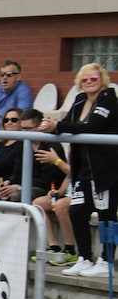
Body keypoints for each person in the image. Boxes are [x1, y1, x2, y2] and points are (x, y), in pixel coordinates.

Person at [39, 62, 118, 278]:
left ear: (102, 80)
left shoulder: (108, 99)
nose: (90, 83)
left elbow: (91, 127)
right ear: (79, 83)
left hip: (107, 169)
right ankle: (84, 258)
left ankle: (106, 260)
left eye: (94, 79)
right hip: (83, 168)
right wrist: (50, 126)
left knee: (106, 215)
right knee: (77, 211)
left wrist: (59, 127)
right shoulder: (80, 99)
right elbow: (67, 124)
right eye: (85, 79)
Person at [0, 109, 66, 202]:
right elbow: (17, 171)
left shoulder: (52, 146)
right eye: (22, 128)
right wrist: (7, 183)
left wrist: (20, 187)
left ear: (40, 126)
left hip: (46, 189)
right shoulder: (22, 144)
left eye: (28, 129)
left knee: (17, 196)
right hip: (25, 185)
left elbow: (46, 181)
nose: (25, 132)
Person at [0, 60, 34, 129]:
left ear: (18, 77)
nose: (4, 77)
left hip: (10, 133)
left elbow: (21, 118)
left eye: (9, 74)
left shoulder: (24, 92)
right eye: (2, 74)